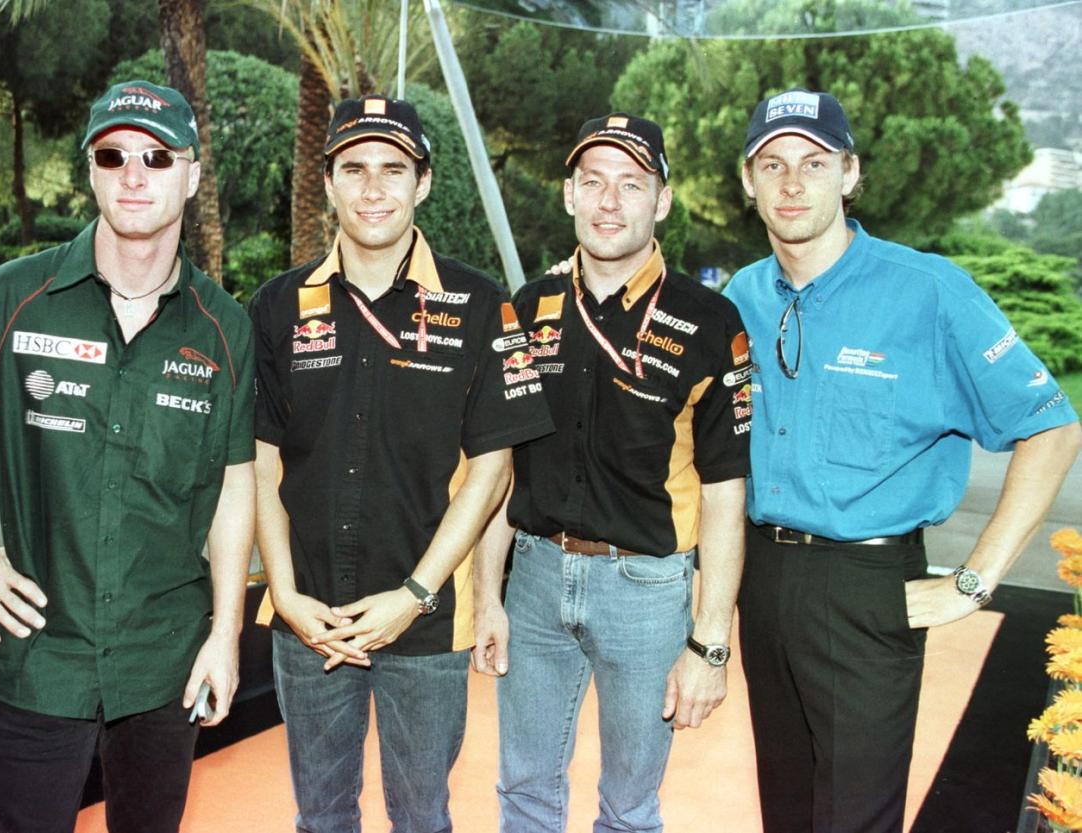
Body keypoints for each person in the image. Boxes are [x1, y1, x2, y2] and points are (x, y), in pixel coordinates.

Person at [0, 80, 257, 833]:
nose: (135, 174)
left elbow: (232, 485)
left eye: (157, 156)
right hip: (37, 661)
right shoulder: (15, 296)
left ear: (190, 173)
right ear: (90, 170)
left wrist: (225, 634)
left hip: (166, 666)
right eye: (113, 154)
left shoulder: (224, 329)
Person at [723, 87, 1082, 833]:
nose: (792, 182)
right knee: (784, 810)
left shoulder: (930, 291)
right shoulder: (741, 297)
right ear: (748, 179)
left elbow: (1051, 425)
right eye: (773, 163)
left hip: (867, 585)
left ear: (849, 174)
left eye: (814, 162)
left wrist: (976, 579)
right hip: (762, 580)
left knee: (854, 818)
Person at [249, 94, 553, 832]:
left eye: (394, 168)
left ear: (423, 182)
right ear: (327, 182)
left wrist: (415, 593)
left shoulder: (481, 304)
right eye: (353, 168)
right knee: (320, 816)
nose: (373, 187)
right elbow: (258, 464)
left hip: (425, 624)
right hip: (309, 621)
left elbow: (492, 473)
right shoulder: (278, 305)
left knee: (422, 815)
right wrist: (285, 594)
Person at [472, 113, 753, 833]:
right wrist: (487, 597)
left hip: (647, 590)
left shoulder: (709, 320)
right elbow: (500, 468)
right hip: (533, 580)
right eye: (593, 182)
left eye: (631, 184)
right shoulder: (528, 307)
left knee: (629, 809)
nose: (608, 201)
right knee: (524, 792)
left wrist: (710, 642)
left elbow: (725, 492)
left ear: (661, 201)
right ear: (568, 194)